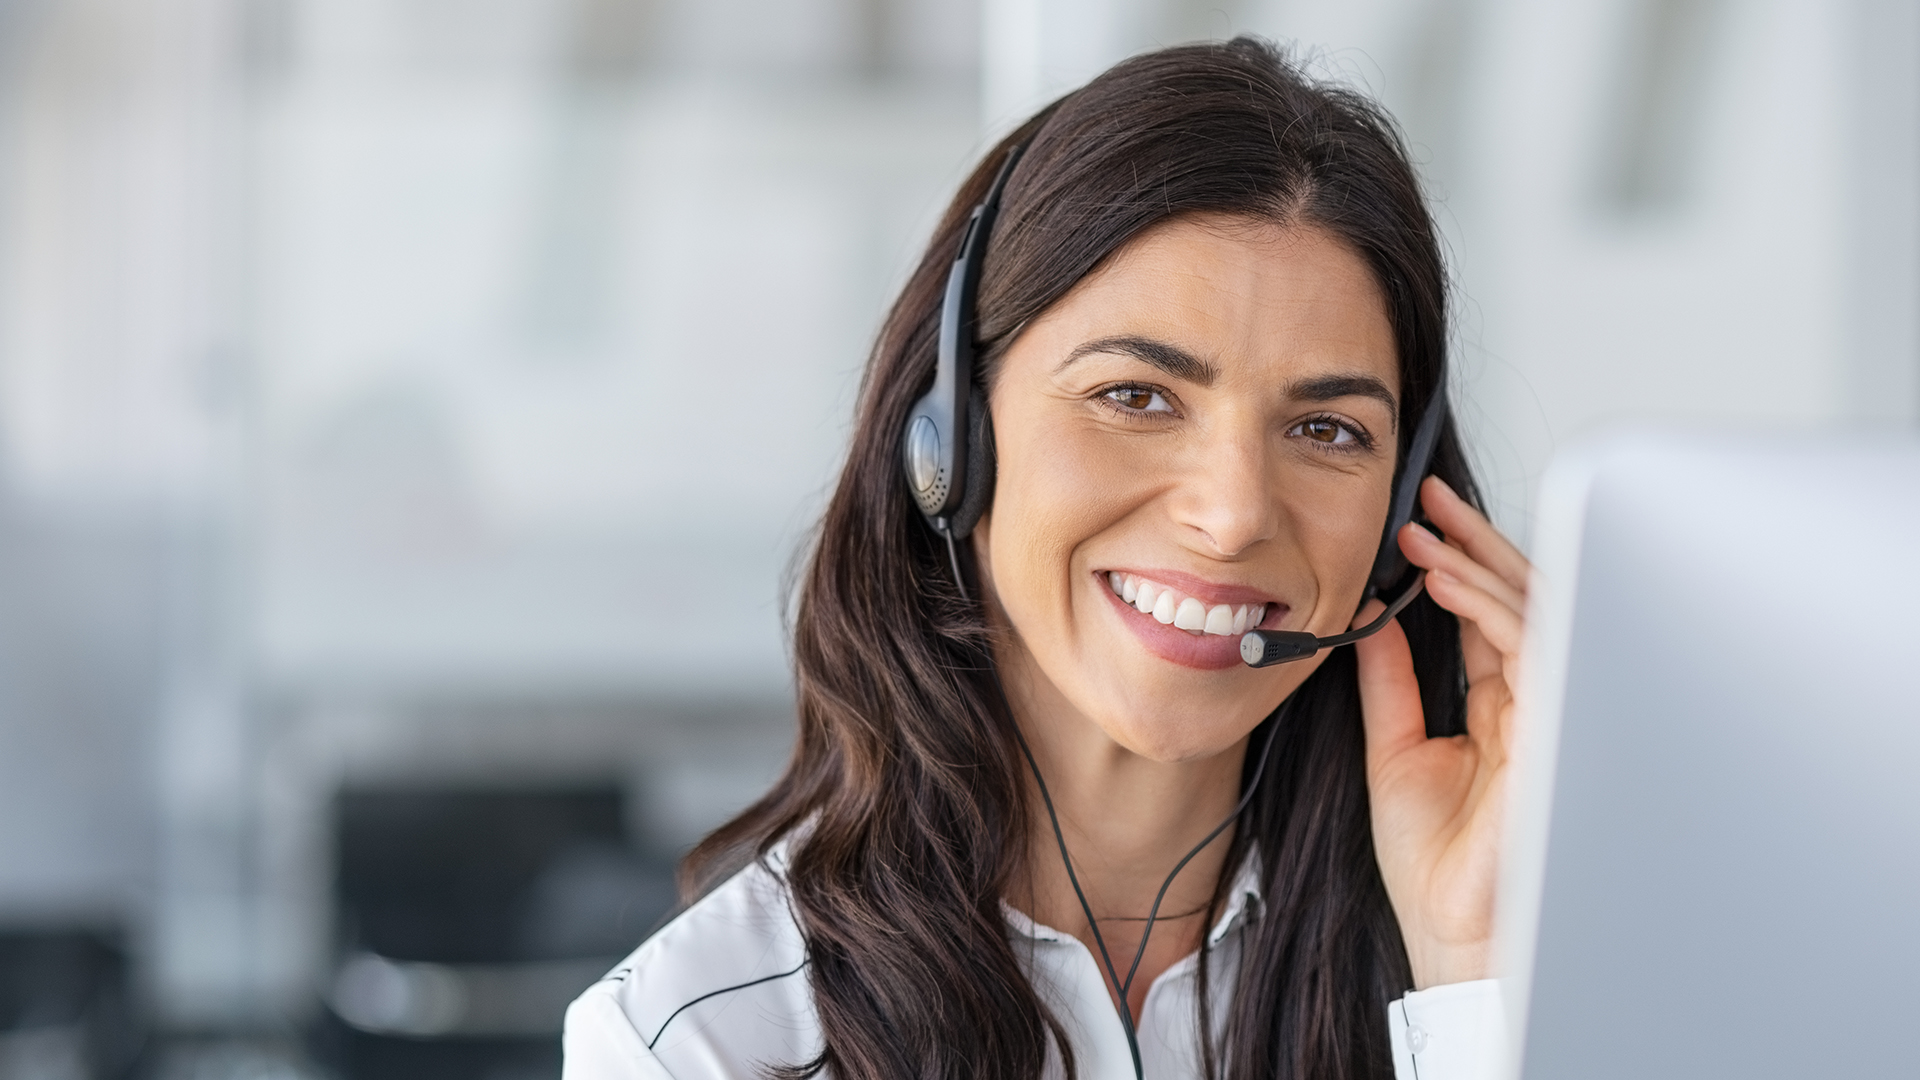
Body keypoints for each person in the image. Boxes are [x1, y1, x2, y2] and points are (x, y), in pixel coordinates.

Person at [564, 35, 1528, 1080]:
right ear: (952, 441)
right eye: (1136, 397)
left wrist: (1473, 971)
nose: (1232, 515)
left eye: (1326, 430)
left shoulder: (1497, 969)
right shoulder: (700, 1042)